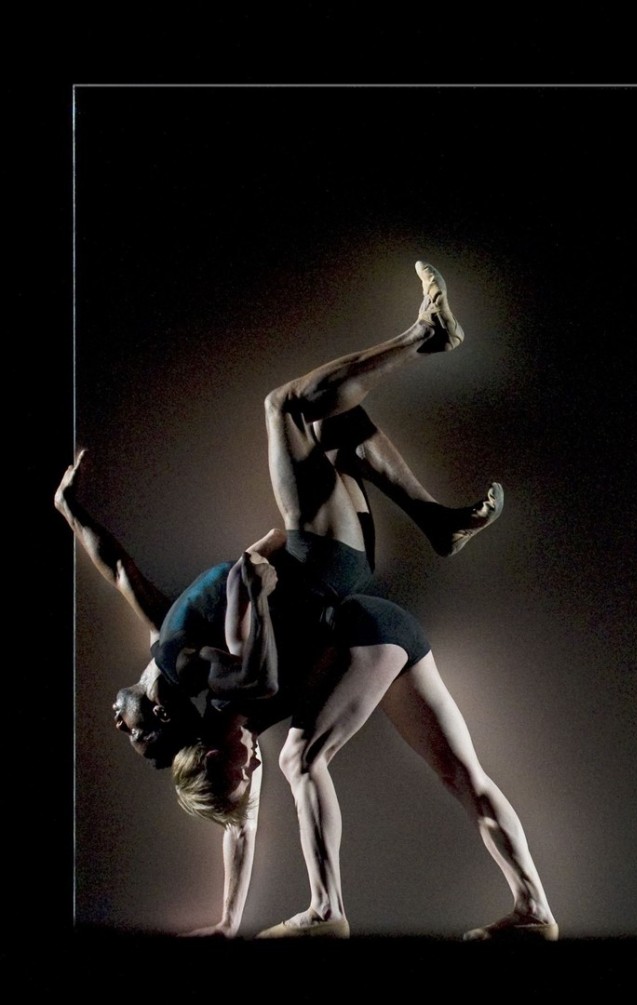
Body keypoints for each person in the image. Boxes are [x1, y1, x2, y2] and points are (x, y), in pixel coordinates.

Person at [58, 262, 556, 941]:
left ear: (202, 747)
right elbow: (239, 818)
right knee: (287, 408)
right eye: (140, 734)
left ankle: (531, 907)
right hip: (335, 579)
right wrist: (229, 920)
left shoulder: (185, 659)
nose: (122, 727)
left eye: (236, 764)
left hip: (357, 601)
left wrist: (70, 511)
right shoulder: (226, 698)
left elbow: (120, 568)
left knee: (329, 420)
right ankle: (424, 336)